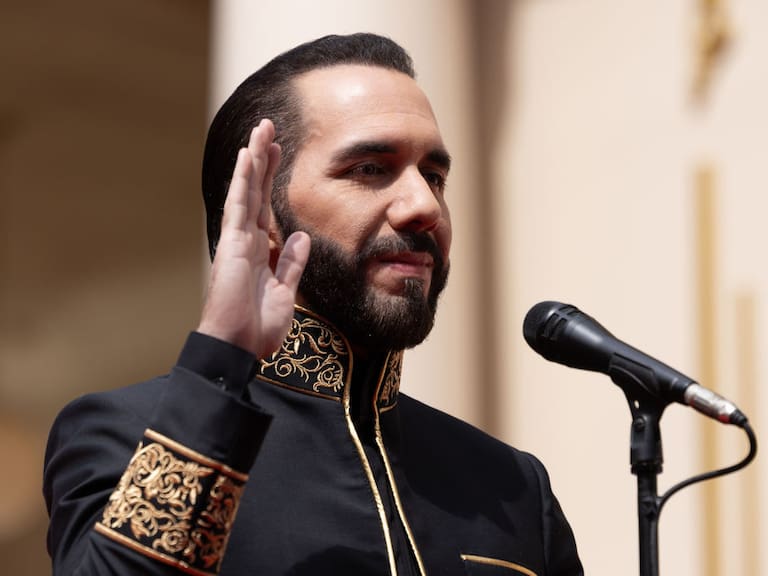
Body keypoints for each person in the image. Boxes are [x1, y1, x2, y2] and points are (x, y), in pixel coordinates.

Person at [43, 33, 583, 576]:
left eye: (435, 176)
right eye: (369, 169)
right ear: (264, 212)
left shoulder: (512, 485)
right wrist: (221, 361)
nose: (425, 206)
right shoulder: (130, 434)